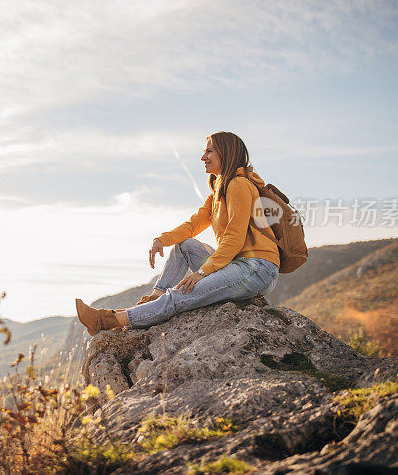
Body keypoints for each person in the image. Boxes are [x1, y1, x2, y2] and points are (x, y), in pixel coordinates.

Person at [76, 131, 280, 336]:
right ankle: (155, 299)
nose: (203, 158)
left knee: (183, 293)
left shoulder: (239, 185)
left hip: (257, 268)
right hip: (236, 263)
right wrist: (161, 240)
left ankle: (107, 320)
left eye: (209, 151)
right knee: (185, 246)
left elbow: (234, 238)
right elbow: (193, 225)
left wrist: (202, 273)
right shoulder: (220, 189)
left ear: (225, 153)